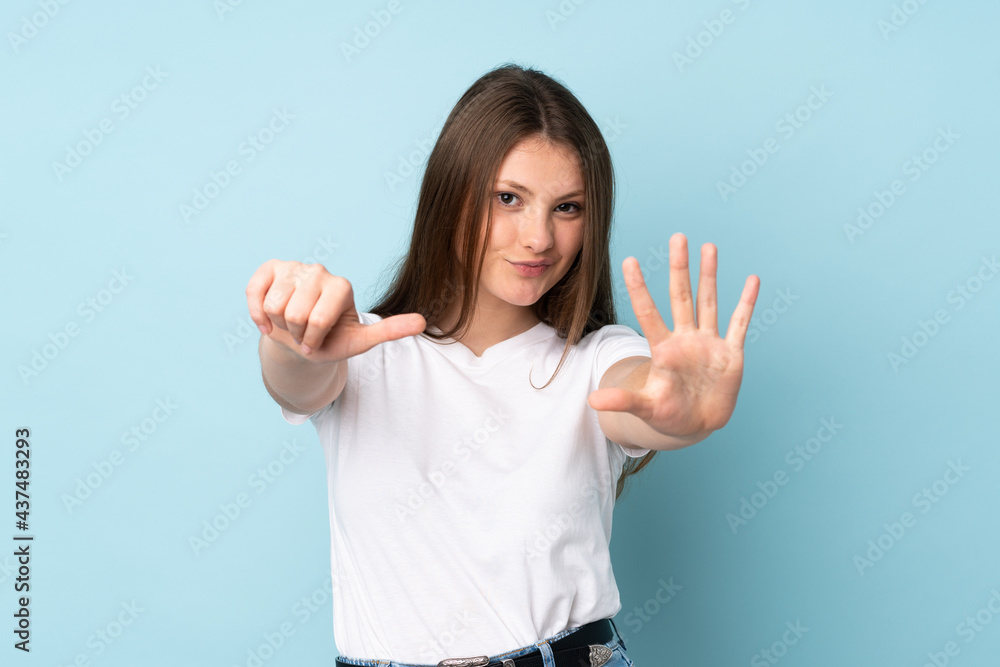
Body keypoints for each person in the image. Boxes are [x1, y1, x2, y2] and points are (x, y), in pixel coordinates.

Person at [246, 63, 759, 667]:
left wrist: (680, 409)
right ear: (450, 194)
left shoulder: (598, 357)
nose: (539, 237)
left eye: (567, 207)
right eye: (508, 198)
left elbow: (637, 397)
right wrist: (293, 339)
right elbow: (297, 382)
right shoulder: (363, 350)